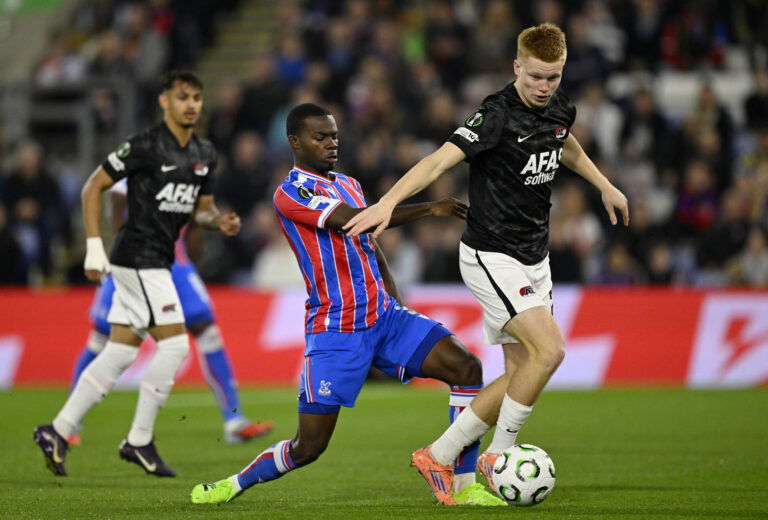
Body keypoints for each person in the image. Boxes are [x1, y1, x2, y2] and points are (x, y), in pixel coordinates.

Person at [344, 23, 629, 500]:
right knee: (551, 351)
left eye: (553, 78)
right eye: (536, 77)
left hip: (535, 256)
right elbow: (438, 161)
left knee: (524, 372)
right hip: (490, 254)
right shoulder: (495, 114)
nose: (544, 87)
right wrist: (388, 202)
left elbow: (566, 143)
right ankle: (499, 452)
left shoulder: (559, 107)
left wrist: (603, 183)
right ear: (517, 67)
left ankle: (437, 455)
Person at [190, 103, 505, 507]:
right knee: (308, 447)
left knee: (467, 368)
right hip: (336, 328)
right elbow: (354, 221)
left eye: (334, 136)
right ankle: (232, 485)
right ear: (295, 142)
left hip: (385, 317)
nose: (331, 143)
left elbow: (369, 242)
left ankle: (463, 488)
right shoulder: (291, 193)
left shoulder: (349, 183)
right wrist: (429, 207)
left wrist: (395, 300)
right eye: (320, 137)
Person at [33, 70, 240, 478]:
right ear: (164, 101)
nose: (191, 104)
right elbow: (93, 186)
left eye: (196, 97)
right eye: (182, 97)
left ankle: (56, 430)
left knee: (120, 351)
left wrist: (219, 222)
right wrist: (95, 250)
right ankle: (139, 439)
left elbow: (201, 209)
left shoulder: (204, 153)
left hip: (160, 258)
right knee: (177, 346)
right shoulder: (145, 146)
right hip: (137, 257)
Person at [68, 180, 272, 446]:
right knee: (101, 339)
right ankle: (70, 423)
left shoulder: (194, 168)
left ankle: (234, 421)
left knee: (208, 331)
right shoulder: (142, 158)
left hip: (177, 265)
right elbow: (116, 200)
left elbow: (197, 219)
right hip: (133, 261)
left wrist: (213, 226)